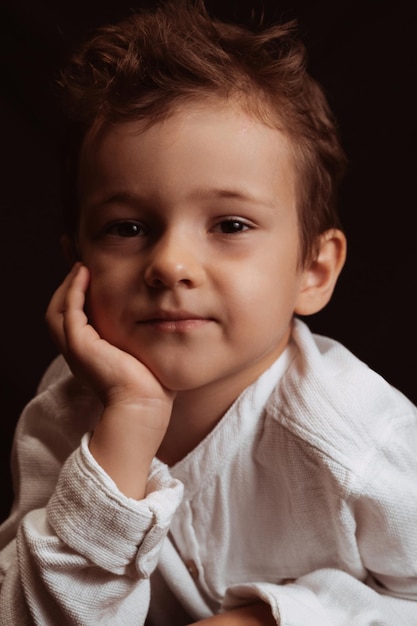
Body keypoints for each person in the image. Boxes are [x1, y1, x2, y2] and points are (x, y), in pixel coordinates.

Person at [0, 1, 416, 623]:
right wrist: (129, 423)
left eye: (230, 224)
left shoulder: (360, 438)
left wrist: (274, 617)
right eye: (129, 226)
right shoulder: (63, 413)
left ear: (314, 270)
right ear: (76, 262)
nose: (170, 263)